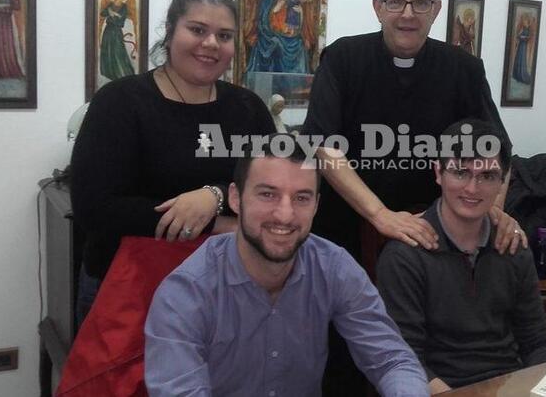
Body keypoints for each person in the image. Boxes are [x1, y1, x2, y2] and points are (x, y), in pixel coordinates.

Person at [301, 0, 525, 397]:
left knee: (423, 343)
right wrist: (379, 215)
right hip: (348, 223)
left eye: (420, 2)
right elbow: (323, 147)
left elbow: (497, 150)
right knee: (345, 349)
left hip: (432, 234)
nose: (407, 13)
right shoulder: (343, 58)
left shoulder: (463, 68)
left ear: (437, 9)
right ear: (377, 6)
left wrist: (492, 211)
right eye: (396, 1)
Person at [144, 135, 430, 397]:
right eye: (268, 194)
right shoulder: (186, 292)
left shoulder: (333, 266)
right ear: (235, 198)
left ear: (317, 205)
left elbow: (392, 359)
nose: (285, 214)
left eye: (301, 198)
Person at [70, 0, 276, 324]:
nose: (210, 44)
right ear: (170, 31)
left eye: (224, 36)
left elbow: (272, 184)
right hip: (129, 292)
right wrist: (213, 223)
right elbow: (96, 210)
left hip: (225, 289)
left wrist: (216, 196)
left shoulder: (248, 108)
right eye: (197, 29)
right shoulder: (120, 102)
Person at [377, 119, 546, 393]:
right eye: (460, 172)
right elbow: (404, 357)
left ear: (502, 182)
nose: (472, 189)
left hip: (507, 384)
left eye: (487, 176)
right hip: (438, 389)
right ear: (438, 172)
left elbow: (536, 341)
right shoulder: (404, 256)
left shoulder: (513, 245)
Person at [246, 0, 309, 74]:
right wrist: (283, 1)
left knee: (300, 46)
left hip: (289, 35)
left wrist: (300, 12)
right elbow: (265, 17)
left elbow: (297, 21)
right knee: (276, 44)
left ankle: (295, 88)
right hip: (270, 35)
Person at [98, 0, 136, 81]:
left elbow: (121, 22)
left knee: (118, 52)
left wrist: (113, 15)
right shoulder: (110, 5)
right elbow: (102, 13)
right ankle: (108, 72)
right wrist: (109, 12)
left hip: (116, 31)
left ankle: (121, 73)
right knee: (107, 51)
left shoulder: (124, 6)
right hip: (108, 31)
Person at [511, 13, 533, 84]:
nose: (523, 21)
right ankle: (517, 75)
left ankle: (521, 75)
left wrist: (524, 38)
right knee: (518, 59)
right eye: (523, 20)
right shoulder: (522, 28)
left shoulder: (528, 29)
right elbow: (518, 36)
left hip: (523, 47)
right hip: (520, 46)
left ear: (527, 21)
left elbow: (529, 37)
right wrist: (520, 36)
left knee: (522, 60)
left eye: (524, 20)